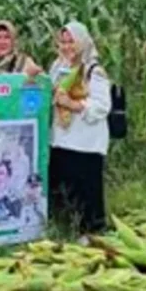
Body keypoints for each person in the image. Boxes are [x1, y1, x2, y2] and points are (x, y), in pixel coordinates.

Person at [48, 21, 111, 237]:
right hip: (61, 140)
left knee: (87, 193)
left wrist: (72, 105)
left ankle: (93, 234)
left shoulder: (93, 70)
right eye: (63, 42)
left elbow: (102, 107)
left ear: (82, 43)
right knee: (64, 193)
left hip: (85, 143)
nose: (66, 47)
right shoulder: (58, 68)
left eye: (71, 42)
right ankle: (66, 231)